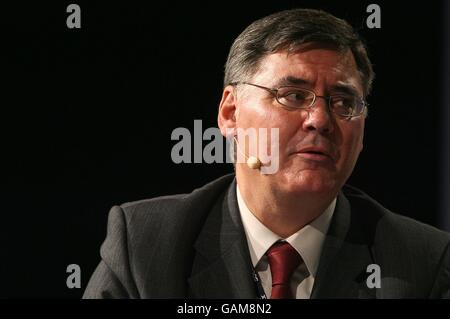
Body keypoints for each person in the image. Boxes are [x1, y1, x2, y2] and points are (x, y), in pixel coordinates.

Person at [83, 8, 450, 299]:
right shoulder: (148, 246)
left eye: (343, 102)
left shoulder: (421, 264)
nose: (320, 120)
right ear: (230, 113)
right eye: (292, 96)